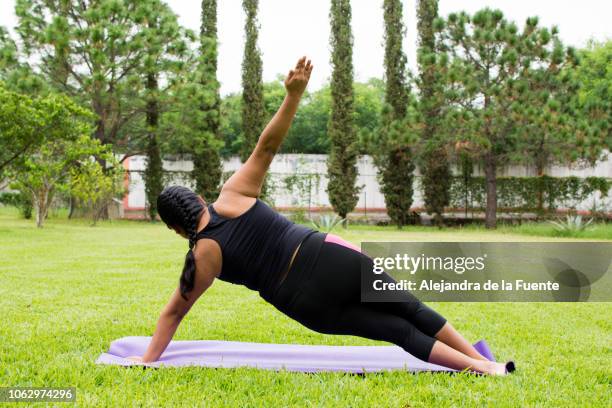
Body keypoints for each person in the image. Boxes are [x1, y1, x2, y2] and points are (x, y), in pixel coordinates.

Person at [129, 57, 514, 375]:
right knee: (410, 308)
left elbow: (173, 313)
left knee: (395, 330)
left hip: (303, 299)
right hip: (328, 257)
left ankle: (483, 370)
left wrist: (147, 360)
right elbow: (267, 146)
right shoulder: (232, 194)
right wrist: (293, 95)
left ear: (174, 228)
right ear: (198, 198)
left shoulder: (201, 257)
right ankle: (483, 361)